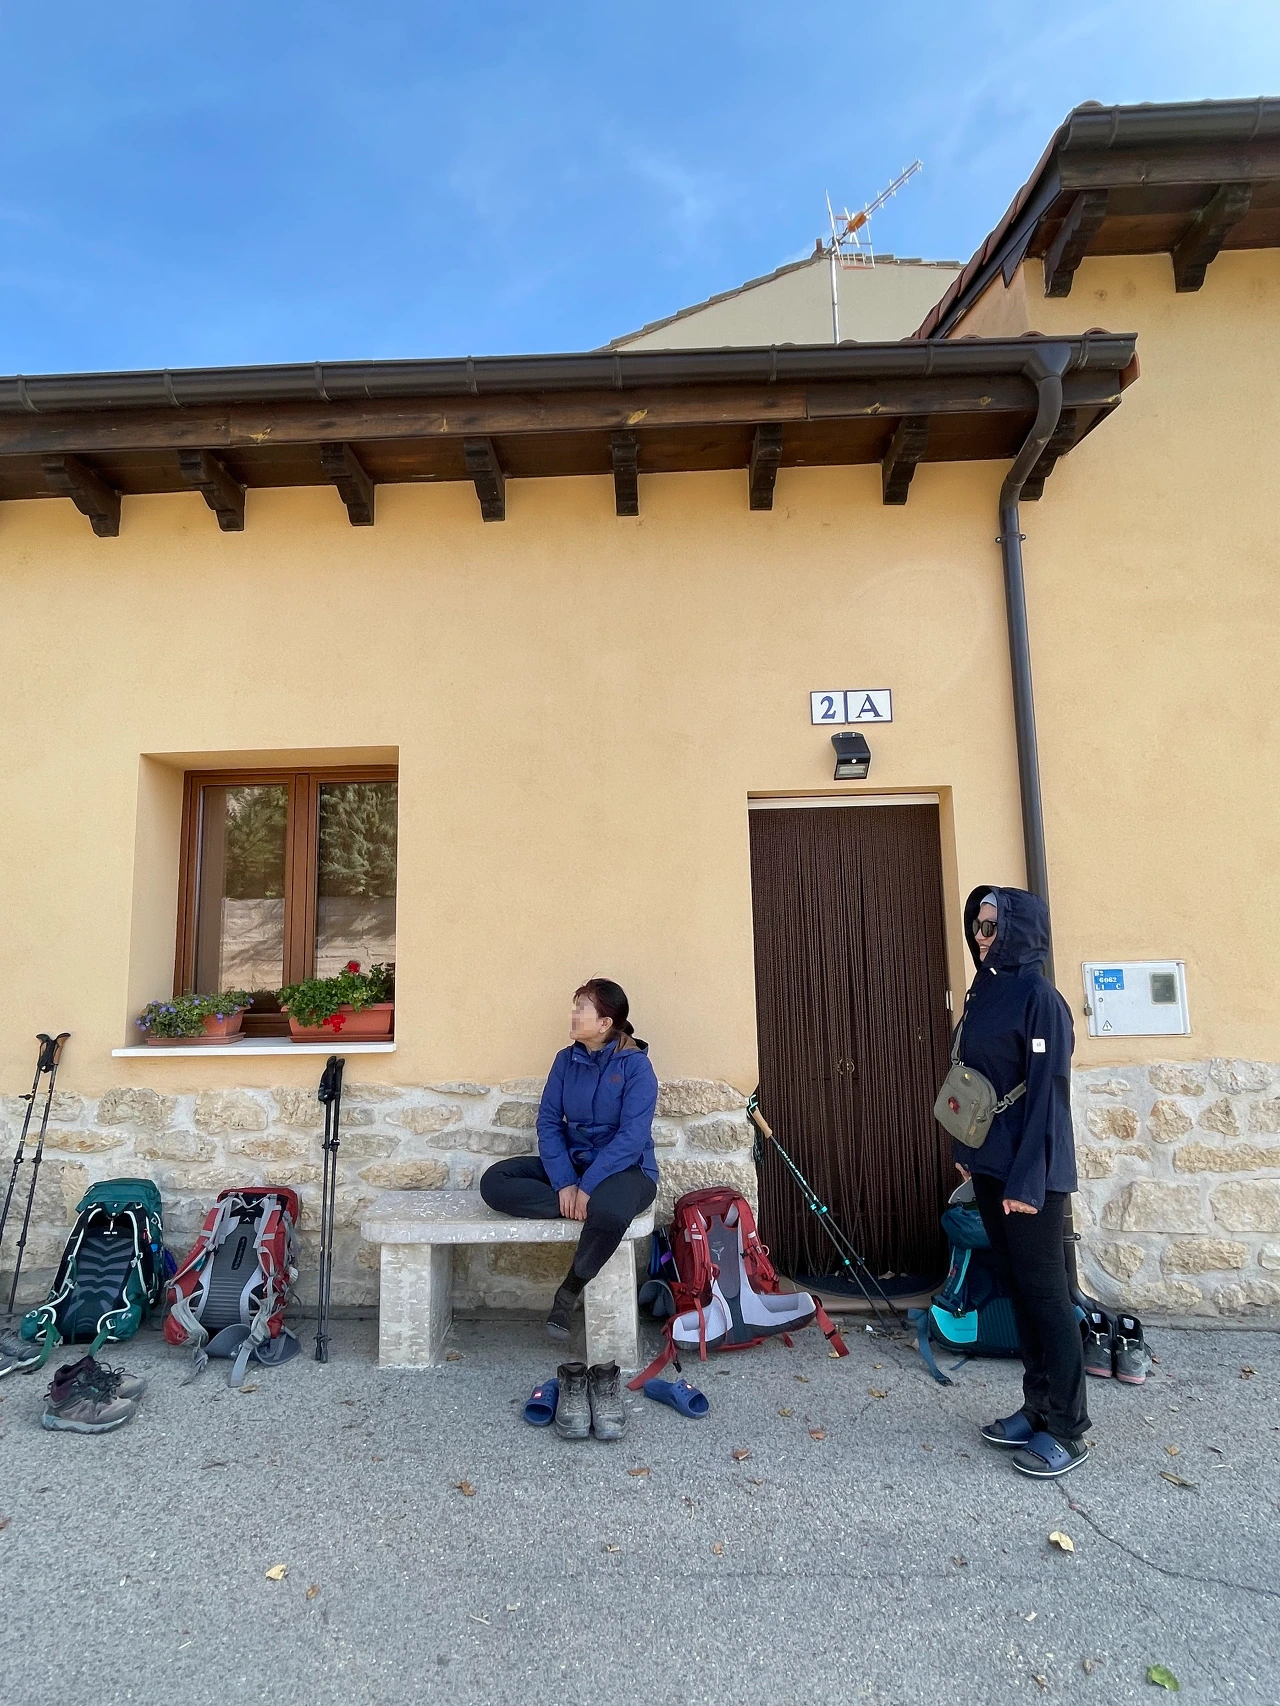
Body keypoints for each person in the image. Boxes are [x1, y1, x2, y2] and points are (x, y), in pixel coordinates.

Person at [952, 885, 1088, 1479]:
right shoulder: (986, 991)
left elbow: (1049, 1099)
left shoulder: (1041, 999)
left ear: (1018, 930)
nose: (982, 937)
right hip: (991, 1165)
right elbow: (972, 1077)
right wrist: (967, 1150)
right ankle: (1036, 1408)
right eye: (977, 926)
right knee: (1019, 1290)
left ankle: (1068, 1427)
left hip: (1032, 1174)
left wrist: (1028, 1183)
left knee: (1048, 1297)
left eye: (992, 927)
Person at [479, 978, 658, 1341]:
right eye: (575, 1007)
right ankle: (579, 1206)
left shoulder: (637, 1068)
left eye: (582, 1009)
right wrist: (565, 1183)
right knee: (495, 1182)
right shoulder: (565, 1060)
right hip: (573, 1168)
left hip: (626, 1170)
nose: (574, 1015)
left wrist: (588, 1186)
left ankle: (569, 1291)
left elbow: (632, 1138)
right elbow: (548, 1121)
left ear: (605, 1022)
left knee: (611, 1210)